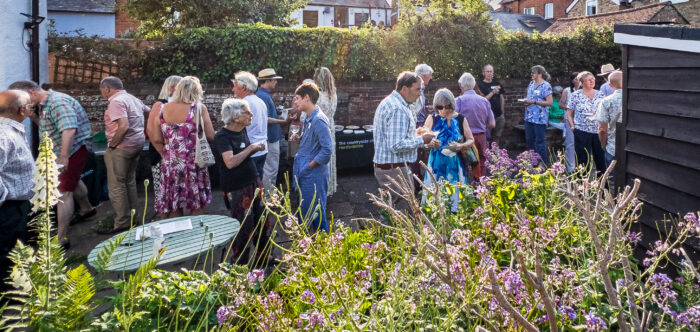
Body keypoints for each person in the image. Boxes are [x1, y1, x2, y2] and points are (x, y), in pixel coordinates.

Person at [9, 80, 95, 246]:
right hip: (61, 150)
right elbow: (48, 128)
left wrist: (64, 157)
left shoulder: (58, 102)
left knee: (63, 191)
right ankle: (87, 209)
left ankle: (61, 239)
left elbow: (69, 129)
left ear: (31, 92)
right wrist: (33, 116)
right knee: (72, 181)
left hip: (73, 149)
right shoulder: (44, 104)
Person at [214, 98, 271, 265]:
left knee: (263, 222)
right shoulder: (222, 137)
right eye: (247, 112)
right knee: (243, 229)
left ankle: (263, 259)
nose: (251, 114)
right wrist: (251, 148)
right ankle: (240, 266)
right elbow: (230, 162)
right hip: (237, 188)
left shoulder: (242, 130)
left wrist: (251, 148)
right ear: (236, 117)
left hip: (253, 182)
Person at [151, 76, 214, 219]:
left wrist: (168, 150)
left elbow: (156, 138)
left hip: (170, 162)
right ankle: (198, 239)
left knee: (174, 204)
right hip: (193, 162)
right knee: (196, 204)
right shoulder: (198, 108)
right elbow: (210, 136)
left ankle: (178, 237)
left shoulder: (162, 109)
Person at [373, 72, 437, 206]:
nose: (420, 93)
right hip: (395, 170)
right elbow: (396, 145)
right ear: (404, 89)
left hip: (389, 168)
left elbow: (398, 136)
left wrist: (422, 140)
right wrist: (421, 140)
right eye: (417, 89)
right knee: (402, 214)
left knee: (390, 212)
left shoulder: (392, 102)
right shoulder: (398, 109)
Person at [99, 76, 147, 233]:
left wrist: (112, 145)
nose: (102, 93)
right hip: (137, 144)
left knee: (117, 185)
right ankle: (134, 217)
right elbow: (150, 111)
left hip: (122, 147)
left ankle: (122, 222)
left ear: (107, 88)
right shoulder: (131, 98)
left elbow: (123, 125)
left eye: (102, 90)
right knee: (129, 181)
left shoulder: (116, 101)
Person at [0, 90, 35, 293]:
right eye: (30, 106)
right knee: (6, 253)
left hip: (15, 205)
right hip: (7, 207)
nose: (31, 110)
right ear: (22, 110)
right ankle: (9, 297)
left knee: (14, 250)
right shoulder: (4, 134)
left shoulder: (10, 130)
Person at [422, 88, 474, 212]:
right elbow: (422, 141)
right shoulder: (432, 118)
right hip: (435, 165)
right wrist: (430, 144)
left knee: (457, 200)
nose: (444, 110)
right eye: (440, 106)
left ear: (452, 104)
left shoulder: (461, 119)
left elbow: (471, 139)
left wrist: (460, 146)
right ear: (435, 106)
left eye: (448, 106)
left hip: (456, 165)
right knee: (434, 201)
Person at [290, 82, 333, 232]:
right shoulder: (308, 118)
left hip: (313, 176)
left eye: (297, 98)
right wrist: (300, 140)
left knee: (315, 214)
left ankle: (325, 248)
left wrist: (310, 166)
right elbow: (315, 144)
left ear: (306, 97)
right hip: (306, 173)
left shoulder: (318, 120)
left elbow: (327, 150)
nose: (295, 102)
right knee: (308, 213)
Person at [147, 75, 181, 210]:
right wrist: (163, 152)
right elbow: (150, 131)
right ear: (172, 88)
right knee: (163, 194)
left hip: (173, 156)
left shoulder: (176, 105)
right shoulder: (160, 105)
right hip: (161, 154)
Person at [456, 72, 495, 181]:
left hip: (464, 138)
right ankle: (480, 187)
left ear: (460, 85)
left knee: (463, 162)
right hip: (481, 136)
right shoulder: (484, 101)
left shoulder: (458, 101)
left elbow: (454, 122)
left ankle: (464, 187)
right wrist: (482, 125)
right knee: (480, 161)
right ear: (474, 85)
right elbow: (492, 124)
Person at [566, 71, 606, 176]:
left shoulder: (600, 94)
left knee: (601, 160)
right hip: (581, 131)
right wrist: (573, 127)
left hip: (598, 131)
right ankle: (581, 188)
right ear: (581, 83)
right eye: (589, 80)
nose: (592, 81)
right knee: (582, 161)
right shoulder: (575, 95)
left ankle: (603, 188)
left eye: (593, 79)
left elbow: (605, 112)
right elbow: (569, 113)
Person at [256, 68, 287, 195]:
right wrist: (282, 121)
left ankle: (267, 197)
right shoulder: (264, 96)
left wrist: (277, 113)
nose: (275, 83)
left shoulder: (261, 94)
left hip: (269, 137)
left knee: (268, 169)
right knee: (271, 169)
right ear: (268, 80)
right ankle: (268, 199)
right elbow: (265, 119)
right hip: (270, 137)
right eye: (274, 80)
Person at [232, 71, 268, 180]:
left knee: (247, 187)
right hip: (262, 147)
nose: (233, 89)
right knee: (257, 184)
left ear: (243, 87)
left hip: (249, 150)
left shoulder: (243, 104)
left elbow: (236, 128)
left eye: (235, 86)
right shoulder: (260, 101)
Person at [313, 67, 338, 196]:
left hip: (318, 130)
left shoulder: (317, 97)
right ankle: (328, 187)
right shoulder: (333, 95)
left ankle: (318, 189)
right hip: (330, 128)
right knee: (329, 157)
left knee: (319, 157)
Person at [409, 64, 434, 191]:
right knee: (416, 156)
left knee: (419, 155)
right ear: (424, 76)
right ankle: (415, 184)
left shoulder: (421, 90)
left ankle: (417, 181)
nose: (431, 77)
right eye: (430, 75)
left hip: (419, 123)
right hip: (416, 124)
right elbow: (413, 108)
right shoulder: (417, 89)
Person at [522, 65, 553, 165]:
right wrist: (526, 102)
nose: (532, 74)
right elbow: (529, 97)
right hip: (529, 117)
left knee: (540, 142)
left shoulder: (546, 85)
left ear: (539, 74)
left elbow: (549, 102)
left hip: (540, 118)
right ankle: (532, 164)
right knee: (529, 140)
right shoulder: (531, 84)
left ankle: (544, 164)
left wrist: (534, 102)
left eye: (533, 72)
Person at [595, 70, 623, 178]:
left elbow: (602, 129)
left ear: (610, 85)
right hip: (633, 147)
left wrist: (603, 145)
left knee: (612, 181)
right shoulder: (635, 99)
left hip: (613, 147)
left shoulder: (606, 101)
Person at [476, 65, 506, 146]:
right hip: (486, 116)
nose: (489, 73)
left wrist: (502, 111)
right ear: (483, 73)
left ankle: (495, 155)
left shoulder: (497, 84)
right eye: (487, 71)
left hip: (499, 115)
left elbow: (502, 98)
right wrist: (492, 92)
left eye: (491, 71)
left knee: (497, 136)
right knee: (486, 137)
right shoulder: (479, 85)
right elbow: (482, 100)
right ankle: (486, 155)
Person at [558, 72, 579, 172]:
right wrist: (571, 108)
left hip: (582, 120)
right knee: (570, 142)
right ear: (572, 80)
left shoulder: (585, 90)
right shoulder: (567, 90)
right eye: (575, 79)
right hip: (570, 118)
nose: (577, 80)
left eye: (579, 78)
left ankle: (580, 164)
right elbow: (561, 105)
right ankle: (570, 166)